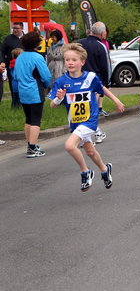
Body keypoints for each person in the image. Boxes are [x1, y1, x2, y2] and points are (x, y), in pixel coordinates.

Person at [49, 43, 124, 191]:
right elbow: (52, 104)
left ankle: (86, 172)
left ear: (82, 62)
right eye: (67, 60)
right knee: (89, 151)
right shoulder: (61, 82)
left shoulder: (90, 77)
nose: (70, 63)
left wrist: (116, 100)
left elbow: (102, 88)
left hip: (89, 120)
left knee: (70, 146)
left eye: (74, 60)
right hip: (75, 123)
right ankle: (104, 169)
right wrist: (59, 98)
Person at [13, 32, 51, 157]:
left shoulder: (20, 57)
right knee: (36, 120)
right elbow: (46, 76)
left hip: (23, 91)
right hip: (35, 91)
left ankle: (30, 145)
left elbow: (15, 76)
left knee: (28, 119)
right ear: (37, 44)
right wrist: (46, 85)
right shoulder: (37, 57)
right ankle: (33, 148)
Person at [79, 21, 111, 143]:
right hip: (94, 81)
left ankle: (91, 135)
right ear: (103, 33)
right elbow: (105, 66)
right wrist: (106, 83)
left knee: (84, 109)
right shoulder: (100, 46)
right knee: (92, 109)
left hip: (78, 80)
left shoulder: (79, 43)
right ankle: (94, 134)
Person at [1, 22, 24, 108]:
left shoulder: (26, 38)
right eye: (13, 28)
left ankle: (24, 103)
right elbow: (2, 52)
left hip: (25, 67)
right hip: (12, 67)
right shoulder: (8, 39)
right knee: (13, 84)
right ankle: (15, 104)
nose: (14, 30)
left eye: (17, 28)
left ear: (22, 28)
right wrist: (3, 62)